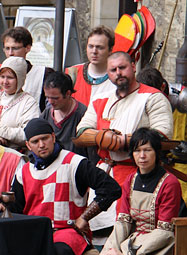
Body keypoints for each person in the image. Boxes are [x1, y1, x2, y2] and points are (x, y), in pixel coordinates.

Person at [9, 118, 121, 255]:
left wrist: (85, 217)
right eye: (35, 141)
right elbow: (17, 208)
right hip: (35, 233)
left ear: (53, 137)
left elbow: (111, 189)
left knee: (58, 253)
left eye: (45, 139)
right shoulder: (23, 172)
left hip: (68, 232)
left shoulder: (75, 163)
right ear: (28, 145)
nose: (41, 144)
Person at [74, 51, 174, 233]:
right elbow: (81, 133)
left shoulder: (153, 97)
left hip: (140, 175)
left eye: (122, 67)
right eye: (113, 70)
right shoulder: (100, 98)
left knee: (134, 231)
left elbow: (163, 136)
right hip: (104, 174)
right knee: (100, 233)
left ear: (133, 66)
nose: (118, 73)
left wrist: (123, 141)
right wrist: (102, 137)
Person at [0, 26, 53, 111]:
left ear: (28, 48)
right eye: (7, 48)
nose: (10, 53)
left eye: (15, 48)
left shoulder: (43, 74)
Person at [0, 56, 40, 148]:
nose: (5, 82)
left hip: (15, 153)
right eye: (2, 77)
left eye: (10, 77)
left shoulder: (29, 103)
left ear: (20, 79)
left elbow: (30, 134)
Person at [65, 25, 116, 107]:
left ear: (110, 50)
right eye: (91, 46)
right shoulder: (72, 73)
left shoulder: (117, 78)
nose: (94, 51)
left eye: (100, 47)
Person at [40, 71, 88, 157]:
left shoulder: (83, 114)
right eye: (47, 97)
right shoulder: (47, 113)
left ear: (68, 94)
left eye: (55, 98)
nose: (50, 102)